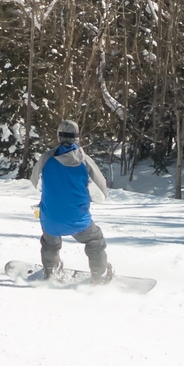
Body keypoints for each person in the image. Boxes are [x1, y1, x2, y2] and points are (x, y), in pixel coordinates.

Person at [31, 120, 112, 283]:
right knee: (95, 240)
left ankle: (51, 270)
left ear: (59, 136)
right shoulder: (85, 161)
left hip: (50, 217)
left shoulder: (46, 158)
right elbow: (100, 195)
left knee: (50, 242)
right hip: (77, 218)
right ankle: (99, 275)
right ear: (77, 137)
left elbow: (36, 183)